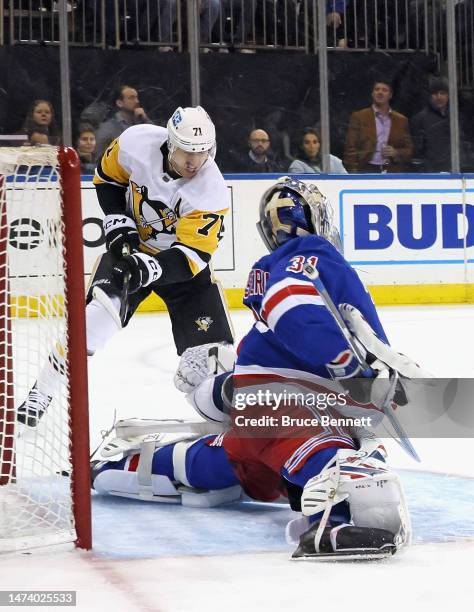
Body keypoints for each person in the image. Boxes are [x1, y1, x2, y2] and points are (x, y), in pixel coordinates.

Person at [91, 176, 425, 559]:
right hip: (290, 407)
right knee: (356, 462)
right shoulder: (313, 250)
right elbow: (291, 307)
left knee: (227, 464)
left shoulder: (276, 265)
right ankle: (333, 520)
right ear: (313, 217)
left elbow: (282, 324)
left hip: (263, 415)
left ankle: (122, 463)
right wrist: (350, 365)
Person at [17, 106, 234, 426]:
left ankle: (226, 426)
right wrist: (119, 225)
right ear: (171, 144)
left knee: (214, 362)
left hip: (182, 271)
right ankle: (42, 392)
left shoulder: (211, 189)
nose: (193, 162)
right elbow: (107, 180)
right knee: (92, 322)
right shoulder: (136, 142)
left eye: (201, 153)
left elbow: (191, 258)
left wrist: (147, 268)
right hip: (130, 253)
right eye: (187, 152)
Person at [343, 79, 413, 173]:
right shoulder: (359, 117)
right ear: (372, 94)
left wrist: (396, 153)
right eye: (377, 89)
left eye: (384, 90)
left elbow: (409, 150)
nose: (380, 92)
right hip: (365, 169)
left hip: (392, 171)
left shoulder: (401, 120)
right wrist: (353, 171)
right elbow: (350, 147)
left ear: (390, 95)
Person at [94, 85, 153, 158]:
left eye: (137, 97)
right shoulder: (108, 128)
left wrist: (145, 120)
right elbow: (98, 155)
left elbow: (159, 141)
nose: (137, 101)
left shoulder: (142, 124)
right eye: (131, 98)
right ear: (119, 103)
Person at [410, 77, 452, 173]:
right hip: (430, 174)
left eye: (443, 93)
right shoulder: (419, 119)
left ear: (449, 95)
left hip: (455, 171)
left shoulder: (456, 117)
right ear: (429, 96)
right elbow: (417, 152)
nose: (439, 97)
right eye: (435, 93)